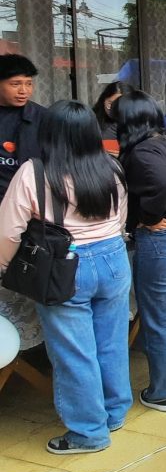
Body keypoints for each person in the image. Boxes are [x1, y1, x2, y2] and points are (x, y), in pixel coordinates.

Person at [0, 101, 128, 454]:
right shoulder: (112, 167)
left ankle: (88, 432)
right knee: (111, 341)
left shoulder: (35, 172)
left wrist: (4, 267)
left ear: (49, 132)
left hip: (64, 266)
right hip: (114, 258)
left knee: (75, 352)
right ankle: (114, 412)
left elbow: (9, 231)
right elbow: (120, 217)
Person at [115, 90, 166, 412]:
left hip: (164, 241)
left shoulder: (142, 151)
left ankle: (164, 392)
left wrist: (150, 216)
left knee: (159, 319)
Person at [0, 54, 45, 199]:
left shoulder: (44, 118)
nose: (24, 91)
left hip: (30, 201)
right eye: (15, 84)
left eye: (29, 83)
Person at [92, 81, 135, 156]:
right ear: (103, 100)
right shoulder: (91, 121)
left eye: (119, 105)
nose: (113, 109)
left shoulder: (138, 125)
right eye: (110, 104)